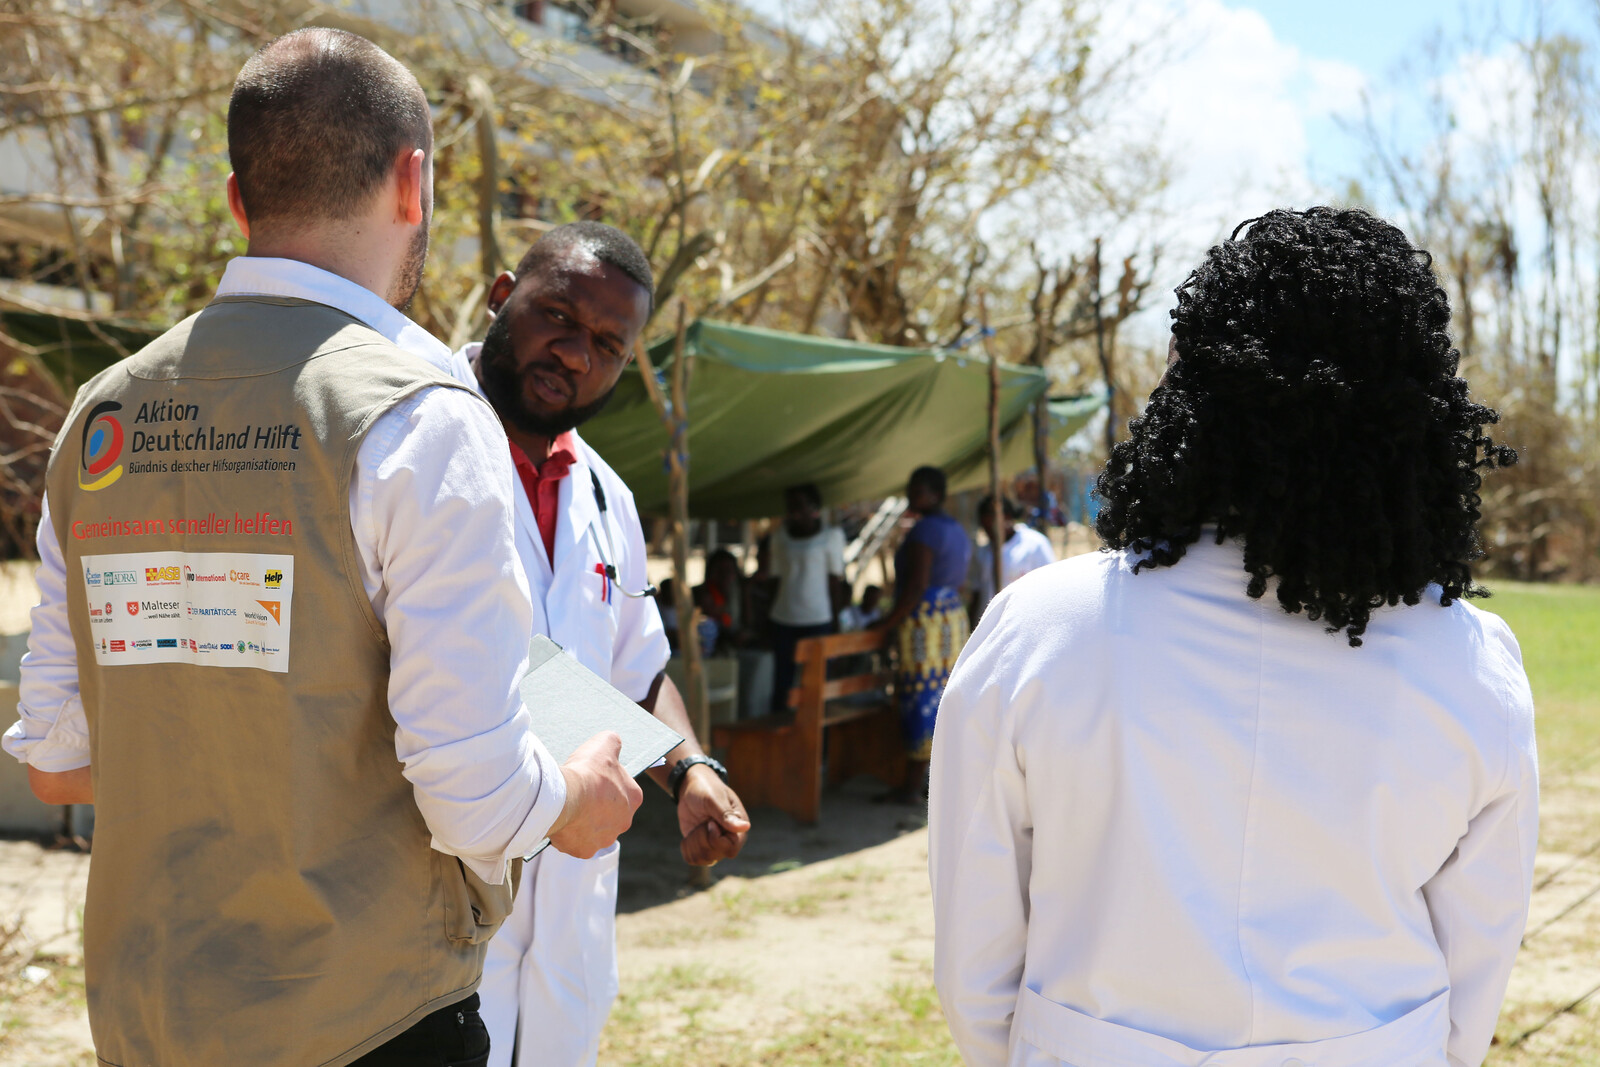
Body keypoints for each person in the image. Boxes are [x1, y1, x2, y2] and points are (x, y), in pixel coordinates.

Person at [1, 30, 641, 1067]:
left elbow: (63, 761)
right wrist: (578, 797)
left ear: (235, 197)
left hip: (149, 1017)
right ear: (412, 181)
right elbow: (472, 791)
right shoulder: (420, 416)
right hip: (369, 1021)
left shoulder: (98, 417)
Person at [929, 208, 1537, 1067]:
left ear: (1190, 394)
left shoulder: (1038, 630)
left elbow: (975, 957)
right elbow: (1478, 963)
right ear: (1418, 414)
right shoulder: (1473, 663)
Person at [457, 222, 752, 1067]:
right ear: (501, 293)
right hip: (443, 890)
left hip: (571, 907)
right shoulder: (410, 442)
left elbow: (638, 667)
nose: (574, 354)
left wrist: (691, 769)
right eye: (557, 315)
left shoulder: (606, 495)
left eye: (606, 344)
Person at [873, 465, 970, 803]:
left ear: (935, 494)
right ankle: (936, 779)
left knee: (920, 698)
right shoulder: (955, 529)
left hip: (924, 623)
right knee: (943, 697)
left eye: (918, 489)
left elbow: (915, 585)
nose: (911, 495)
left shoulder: (925, 531)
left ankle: (911, 785)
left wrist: (886, 624)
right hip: (952, 617)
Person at [767, 483, 847, 709]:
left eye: (800, 506)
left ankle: (816, 739)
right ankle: (780, 733)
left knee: (815, 685)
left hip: (818, 621)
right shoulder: (779, 538)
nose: (794, 512)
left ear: (814, 508)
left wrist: (836, 622)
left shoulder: (831, 536)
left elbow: (835, 582)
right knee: (782, 683)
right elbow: (775, 579)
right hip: (783, 619)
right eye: (791, 507)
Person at [971, 494, 1056, 619]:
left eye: (991, 526)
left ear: (1007, 518)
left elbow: (1050, 588)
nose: (989, 533)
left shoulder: (1034, 545)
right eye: (985, 528)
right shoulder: (984, 553)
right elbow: (977, 593)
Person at [696, 547, 750, 651]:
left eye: (728, 570)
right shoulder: (704, 593)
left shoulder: (740, 591)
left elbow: (747, 622)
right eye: (719, 571)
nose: (725, 575)